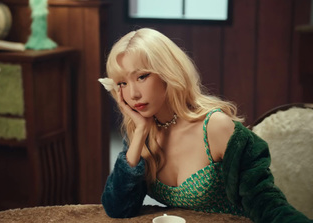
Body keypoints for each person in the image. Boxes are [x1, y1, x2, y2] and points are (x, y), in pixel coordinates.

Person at [98, 28, 311, 223]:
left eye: (142, 76)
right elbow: (117, 208)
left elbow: (266, 204)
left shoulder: (215, 127)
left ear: (167, 73)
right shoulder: (143, 136)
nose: (133, 94)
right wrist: (140, 132)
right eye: (122, 84)